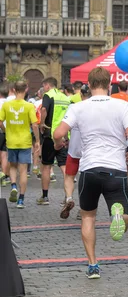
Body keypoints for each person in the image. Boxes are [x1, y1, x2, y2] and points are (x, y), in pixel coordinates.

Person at [53, 67, 128, 279]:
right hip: (116, 169)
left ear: (89, 86)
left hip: (89, 169)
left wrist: (58, 143)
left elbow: (58, 133)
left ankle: (93, 265)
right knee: (123, 212)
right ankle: (119, 217)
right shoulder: (122, 105)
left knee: (88, 217)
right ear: (109, 84)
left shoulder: (78, 107)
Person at [0, 81, 40, 209]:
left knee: (12, 166)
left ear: (13, 89)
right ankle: (21, 200)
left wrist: (6, 131)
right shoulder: (29, 106)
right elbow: (34, 124)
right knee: (23, 171)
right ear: (26, 89)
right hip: (25, 141)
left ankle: (13, 185)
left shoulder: (6, 105)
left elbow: (0, 121)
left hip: (11, 141)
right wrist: (38, 140)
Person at [61, 84, 91, 221]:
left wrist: (66, 139)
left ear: (81, 95)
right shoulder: (96, 109)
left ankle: (68, 198)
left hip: (74, 149)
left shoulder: (74, 108)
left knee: (69, 176)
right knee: (85, 179)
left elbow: (65, 126)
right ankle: (82, 208)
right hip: (90, 150)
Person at [38, 77, 71, 205]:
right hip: (63, 136)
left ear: (47, 85)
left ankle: (45, 197)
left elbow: (44, 109)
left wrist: (42, 123)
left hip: (50, 135)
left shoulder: (48, 95)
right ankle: (67, 197)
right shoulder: (64, 97)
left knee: (46, 166)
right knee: (64, 167)